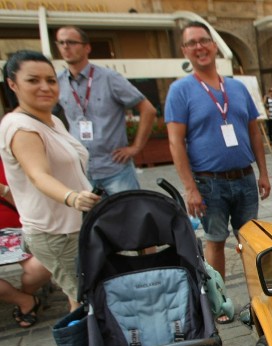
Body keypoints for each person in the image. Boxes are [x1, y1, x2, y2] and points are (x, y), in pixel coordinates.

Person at [165, 22, 271, 323]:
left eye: (204, 41)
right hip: (208, 183)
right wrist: (190, 188)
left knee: (249, 242)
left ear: (214, 46)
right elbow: (176, 142)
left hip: (245, 177)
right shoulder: (180, 90)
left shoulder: (237, 88)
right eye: (192, 43)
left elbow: (255, 134)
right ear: (185, 51)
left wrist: (263, 172)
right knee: (215, 241)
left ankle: (256, 302)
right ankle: (219, 303)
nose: (199, 47)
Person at [0, 50, 100, 310]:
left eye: (51, 80)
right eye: (33, 80)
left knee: (81, 295)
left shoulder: (52, 120)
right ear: (13, 84)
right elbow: (38, 174)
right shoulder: (20, 127)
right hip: (57, 231)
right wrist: (73, 197)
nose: (45, 87)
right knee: (85, 298)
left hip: (77, 225)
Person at [55, 26, 157, 195]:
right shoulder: (57, 81)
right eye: (61, 42)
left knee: (128, 217)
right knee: (93, 220)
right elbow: (46, 118)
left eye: (72, 42)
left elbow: (148, 109)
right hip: (82, 170)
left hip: (115, 169)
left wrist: (136, 147)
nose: (66, 47)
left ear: (87, 47)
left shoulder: (109, 78)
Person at [1, 159, 52, 327]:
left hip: (19, 228)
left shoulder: (9, 157)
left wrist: (3, 190)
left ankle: (25, 294)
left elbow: (33, 200)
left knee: (41, 267)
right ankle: (25, 300)